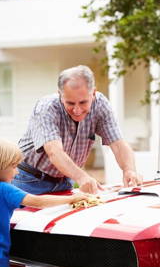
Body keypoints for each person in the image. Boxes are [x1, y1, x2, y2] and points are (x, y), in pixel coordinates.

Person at [0, 137, 89, 267]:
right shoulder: (3, 189)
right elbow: (38, 202)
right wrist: (72, 199)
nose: (17, 172)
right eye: (14, 166)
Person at [12, 65, 142, 195]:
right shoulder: (46, 108)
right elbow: (54, 152)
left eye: (83, 102)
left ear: (94, 93)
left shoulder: (101, 105)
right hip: (28, 179)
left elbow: (118, 144)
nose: (77, 110)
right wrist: (82, 177)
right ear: (60, 95)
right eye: (70, 103)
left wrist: (129, 170)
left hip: (64, 181)